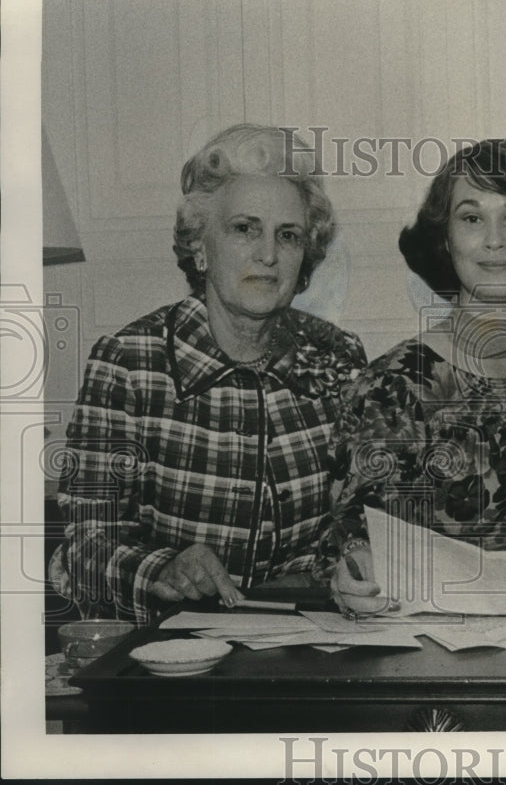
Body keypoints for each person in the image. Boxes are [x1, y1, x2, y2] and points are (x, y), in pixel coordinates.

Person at [50, 124, 367, 625]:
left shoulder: (338, 356)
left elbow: (357, 513)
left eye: (288, 235)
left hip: (312, 646)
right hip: (175, 659)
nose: (268, 254)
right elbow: (84, 548)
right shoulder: (130, 362)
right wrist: (163, 568)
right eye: (245, 228)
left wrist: (353, 560)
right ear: (200, 244)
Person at [314, 139, 506, 613]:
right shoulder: (393, 386)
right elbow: (354, 538)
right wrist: (356, 567)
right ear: (445, 238)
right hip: (445, 655)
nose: (494, 240)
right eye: (471, 217)